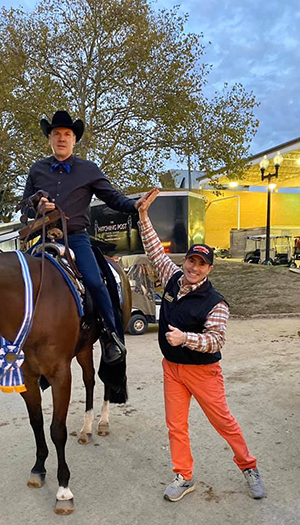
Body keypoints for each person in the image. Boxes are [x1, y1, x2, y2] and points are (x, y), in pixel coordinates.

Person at [136, 188, 266, 502]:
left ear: (209, 269)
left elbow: (216, 340)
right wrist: (143, 216)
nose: (194, 268)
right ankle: (184, 476)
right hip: (172, 369)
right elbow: (154, 249)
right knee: (176, 426)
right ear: (185, 261)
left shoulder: (216, 302)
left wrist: (185, 338)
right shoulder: (172, 276)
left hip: (203, 372)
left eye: (201, 264)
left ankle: (249, 467)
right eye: (191, 261)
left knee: (223, 422)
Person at [22, 110, 139, 364]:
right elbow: (24, 207)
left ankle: (110, 337)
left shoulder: (89, 170)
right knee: (20, 281)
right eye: (56, 134)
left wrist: (136, 205)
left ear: (74, 140)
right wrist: (36, 207)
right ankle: (16, 341)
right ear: (50, 139)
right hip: (44, 239)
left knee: (95, 282)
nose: (61, 138)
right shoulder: (37, 169)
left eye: (67, 134)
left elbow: (113, 198)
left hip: (76, 239)